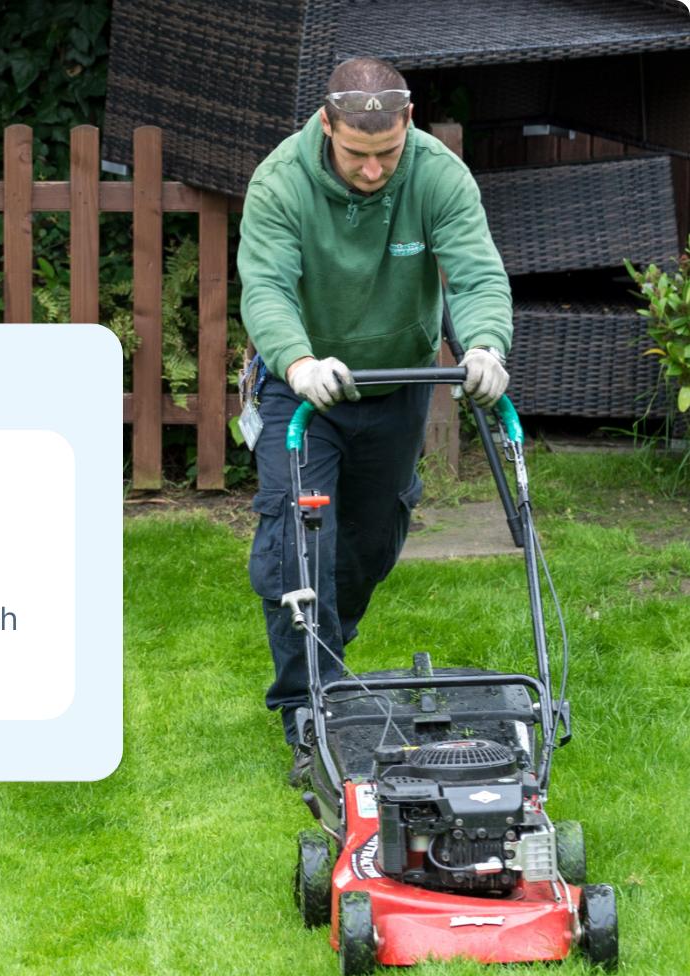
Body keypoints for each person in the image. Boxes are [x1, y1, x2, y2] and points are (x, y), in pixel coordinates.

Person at [236, 56, 513, 785]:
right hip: (305, 390)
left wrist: (485, 342)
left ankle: (329, 644)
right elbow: (265, 288)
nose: (371, 171)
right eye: (357, 155)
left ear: (408, 124)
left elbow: (477, 272)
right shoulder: (281, 183)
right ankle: (307, 708)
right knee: (298, 540)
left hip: (397, 384)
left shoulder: (435, 175)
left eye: (385, 153)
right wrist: (297, 361)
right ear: (327, 126)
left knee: (372, 538)